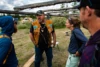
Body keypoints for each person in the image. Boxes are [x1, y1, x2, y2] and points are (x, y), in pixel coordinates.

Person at [76, 0, 100, 67]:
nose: (79, 15)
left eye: (79, 10)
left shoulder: (96, 49)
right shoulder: (94, 40)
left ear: (87, 11)